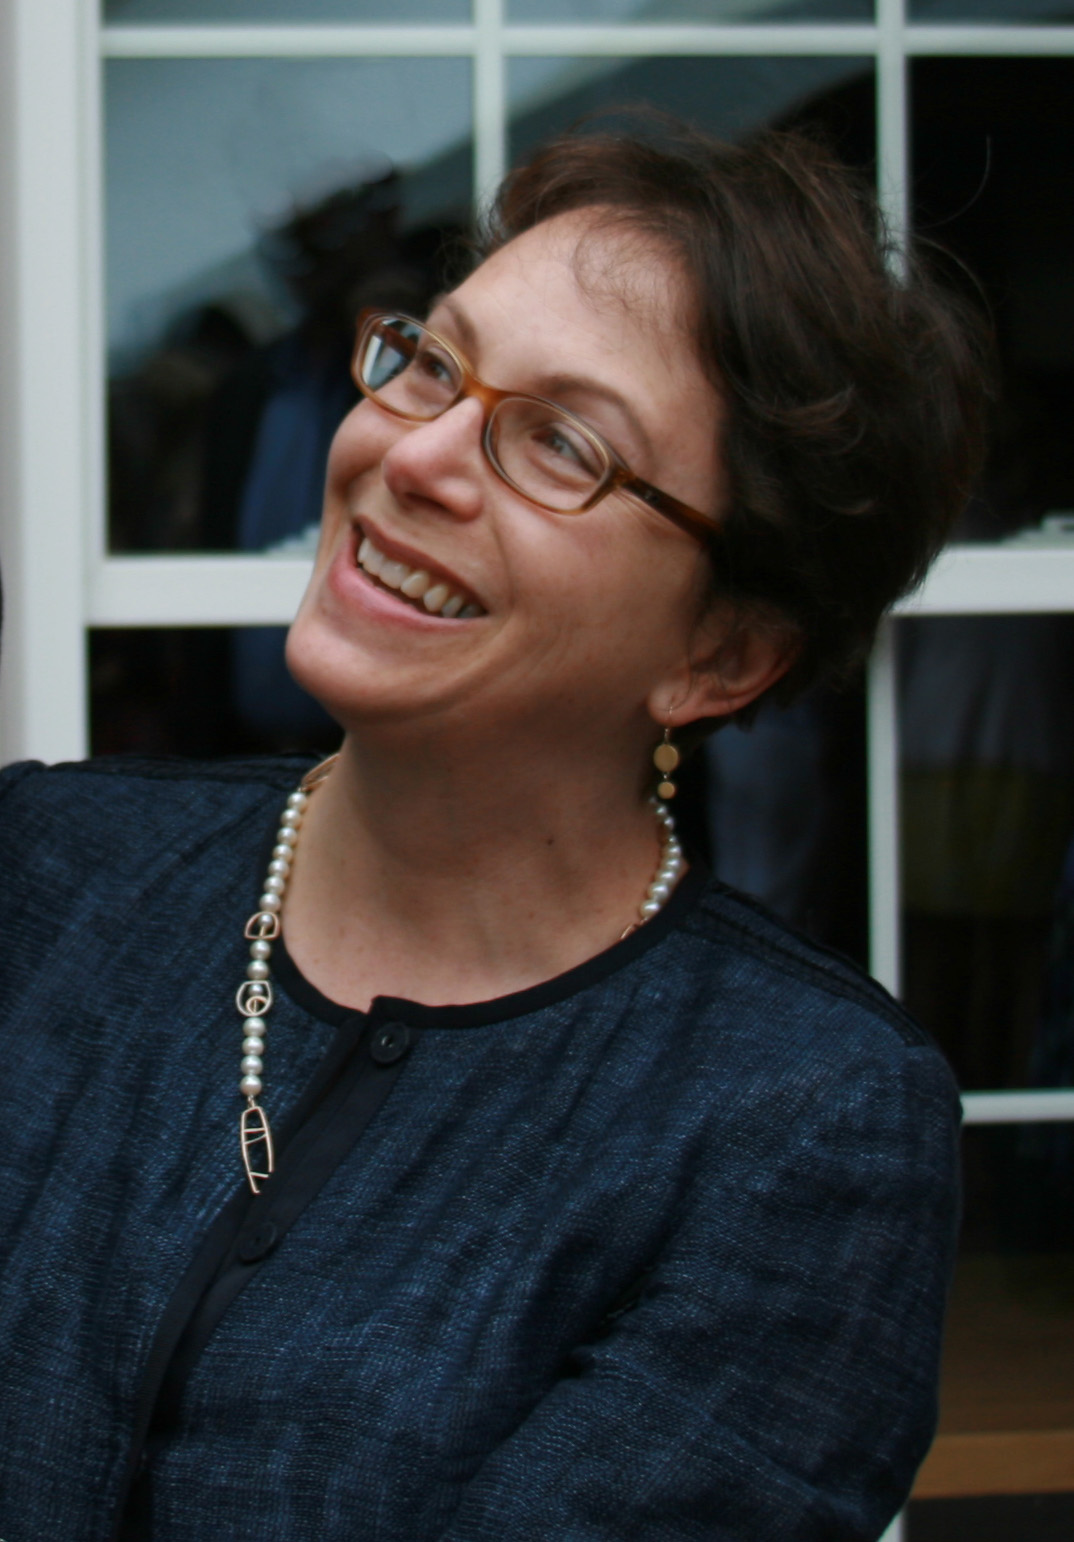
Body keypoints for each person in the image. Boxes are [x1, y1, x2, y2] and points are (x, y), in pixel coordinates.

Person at [0, 115, 987, 1540]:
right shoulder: (47, 869)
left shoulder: (799, 1126)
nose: (418, 456)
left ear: (720, 654)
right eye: (433, 365)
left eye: (562, 444)